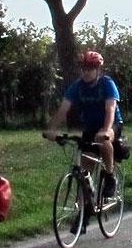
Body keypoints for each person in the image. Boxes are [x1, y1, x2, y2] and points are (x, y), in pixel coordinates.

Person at [43, 49, 123, 200]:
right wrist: (51, 129)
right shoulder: (77, 86)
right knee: (84, 171)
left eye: (90, 69)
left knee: (103, 139)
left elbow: (110, 109)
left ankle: (110, 176)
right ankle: (83, 211)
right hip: (90, 128)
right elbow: (62, 110)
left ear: (98, 69)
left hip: (111, 124)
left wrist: (105, 130)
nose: (86, 72)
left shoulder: (107, 83)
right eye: (84, 69)